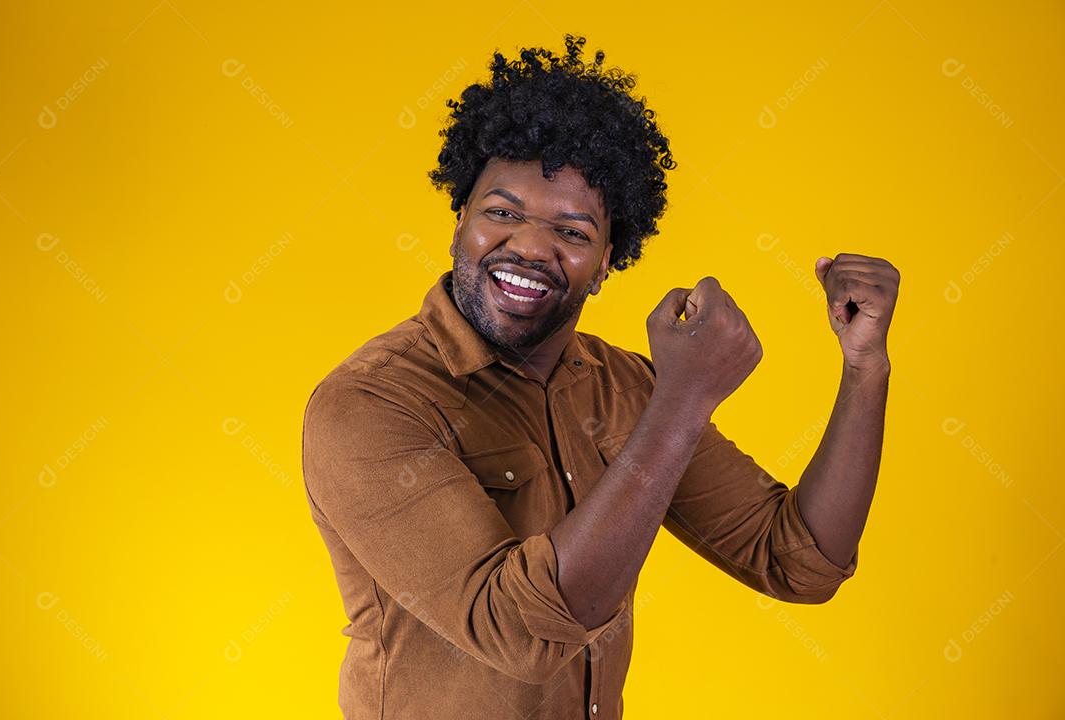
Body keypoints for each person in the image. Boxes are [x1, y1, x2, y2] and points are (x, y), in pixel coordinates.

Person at [302, 33, 898, 720]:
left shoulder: (624, 387)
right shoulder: (370, 404)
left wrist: (865, 366)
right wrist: (684, 400)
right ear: (459, 221)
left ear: (608, 261)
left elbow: (796, 561)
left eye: (573, 232)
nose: (530, 246)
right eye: (501, 213)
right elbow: (521, 633)